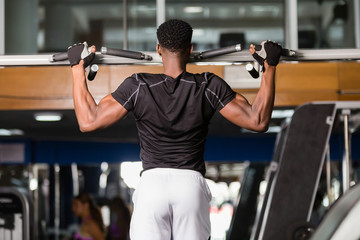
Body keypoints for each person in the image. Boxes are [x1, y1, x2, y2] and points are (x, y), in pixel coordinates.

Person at [68, 19, 281, 240]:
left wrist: (77, 68)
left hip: (152, 185)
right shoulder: (208, 85)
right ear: (190, 49)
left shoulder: (139, 85)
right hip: (190, 184)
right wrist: (269, 66)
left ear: (158, 49)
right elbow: (257, 121)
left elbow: (88, 121)